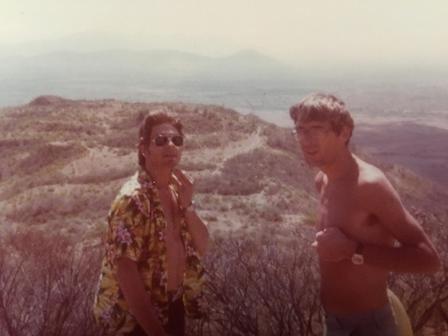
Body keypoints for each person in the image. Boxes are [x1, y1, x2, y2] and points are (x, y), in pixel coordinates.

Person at [289, 93, 440, 336]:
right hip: (334, 321)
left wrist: (353, 250)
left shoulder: (369, 186)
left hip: (370, 325)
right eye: (300, 130)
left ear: (344, 133)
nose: (306, 139)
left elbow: (428, 260)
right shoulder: (323, 179)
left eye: (317, 129)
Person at [93, 113, 209, 336]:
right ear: (144, 148)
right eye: (161, 139)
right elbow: (127, 274)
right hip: (133, 320)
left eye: (177, 140)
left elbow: (202, 246)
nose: (170, 145)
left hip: (173, 308)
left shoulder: (177, 192)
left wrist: (188, 206)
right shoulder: (132, 200)